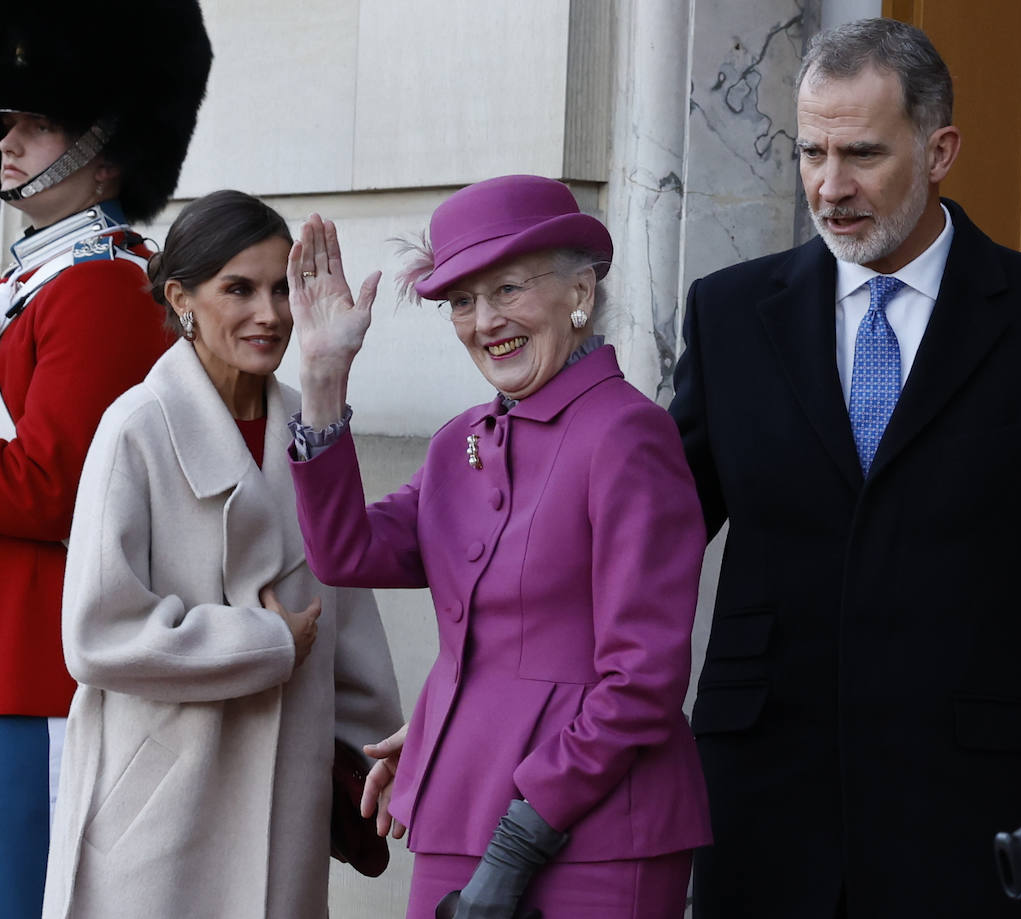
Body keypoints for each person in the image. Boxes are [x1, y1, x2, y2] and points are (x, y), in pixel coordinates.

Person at [669, 18, 1021, 919]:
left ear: (940, 147)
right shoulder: (728, 315)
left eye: (863, 154)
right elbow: (642, 536)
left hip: (969, 819)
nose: (829, 189)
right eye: (811, 153)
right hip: (761, 811)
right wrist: (479, 703)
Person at [284, 174, 711, 919]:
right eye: (460, 301)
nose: (485, 321)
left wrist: (520, 839)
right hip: (458, 814)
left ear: (580, 288)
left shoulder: (628, 435)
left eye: (508, 289)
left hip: (598, 833)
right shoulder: (461, 445)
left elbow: (641, 679)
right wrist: (323, 379)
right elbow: (346, 553)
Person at [40, 190, 403, 919]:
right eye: (238, 289)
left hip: (283, 809)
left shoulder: (312, 424)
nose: (268, 313)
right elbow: (96, 634)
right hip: (159, 812)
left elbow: (349, 615)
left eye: (280, 288)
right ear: (182, 299)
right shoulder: (135, 429)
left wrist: (374, 755)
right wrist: (265, 641)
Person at [0, 3, 210, 917]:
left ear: (106, 147)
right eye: (6, 123)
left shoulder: (102, 284)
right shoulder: (38, 280)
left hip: (41, 672)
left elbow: (55, 487)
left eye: (37, 122)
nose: (11, 143)